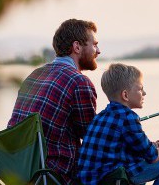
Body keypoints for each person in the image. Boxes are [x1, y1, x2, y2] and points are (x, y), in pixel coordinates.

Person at [7, 19, 101, 184]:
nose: (98, 51)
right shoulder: (79, 82)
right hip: (54, 175)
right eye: (94, 45)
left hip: (19, 171)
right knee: (131, 168)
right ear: (77, 47)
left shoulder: (35, 74)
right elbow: (92, 140)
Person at [77, 63, 159, 185]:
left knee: (138, 162)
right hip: (109, 180)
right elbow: (153, 156)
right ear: (125, 95)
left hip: (89, 180)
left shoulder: (101, 116)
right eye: (140, 89)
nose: (144, 93)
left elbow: (131, 148)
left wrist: (154, 145)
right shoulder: (128, 117)